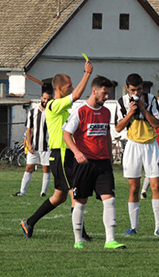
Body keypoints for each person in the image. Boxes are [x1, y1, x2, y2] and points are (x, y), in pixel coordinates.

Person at [20, 60, 93, 241]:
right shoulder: (53, 104)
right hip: (61, 154)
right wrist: (87, 74)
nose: (72, 87)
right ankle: (81, 235)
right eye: (69, 85)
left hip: (65, 154)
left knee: (60, 197)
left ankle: (29, 222)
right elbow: (76, 96)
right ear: (59, 88)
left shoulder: (62, 106)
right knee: (75, 194)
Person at [63, 76, 125, 249]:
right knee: (80, 201)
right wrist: (76, 153)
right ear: (94, 91)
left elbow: (106, 133)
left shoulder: (106, 112)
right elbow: (66, 134)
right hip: (84, 163)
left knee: (109, 200)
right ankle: (78, 241)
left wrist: (110, 155)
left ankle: (110, 240)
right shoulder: (81, 111)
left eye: (108, 94)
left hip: (103, 163)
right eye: (104, 93)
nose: (106, 97)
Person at [114, 73, 159, 236]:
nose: (135, 94)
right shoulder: (121, 102)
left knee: (156, 186)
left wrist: (143, 109)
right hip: (133, 146)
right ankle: (133, 227)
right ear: (127, 89)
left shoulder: (151, 100)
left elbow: (157, 124)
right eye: (132, 91)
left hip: (151, 146)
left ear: (142, 87)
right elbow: (117, 128)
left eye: (137, 90)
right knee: (134, 188)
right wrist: (130, 113)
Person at [12, 91, 52, 197]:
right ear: (41, 98)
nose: (46, 101)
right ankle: (22, 192)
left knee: (46, 168)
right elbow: (29, 129)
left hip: (47, 146)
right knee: (29, 167)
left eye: (48, 99)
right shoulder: (32, 112)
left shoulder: (52, 112)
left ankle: (43, 192)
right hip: (34, 146)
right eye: (44, 98)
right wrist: (29, 144)